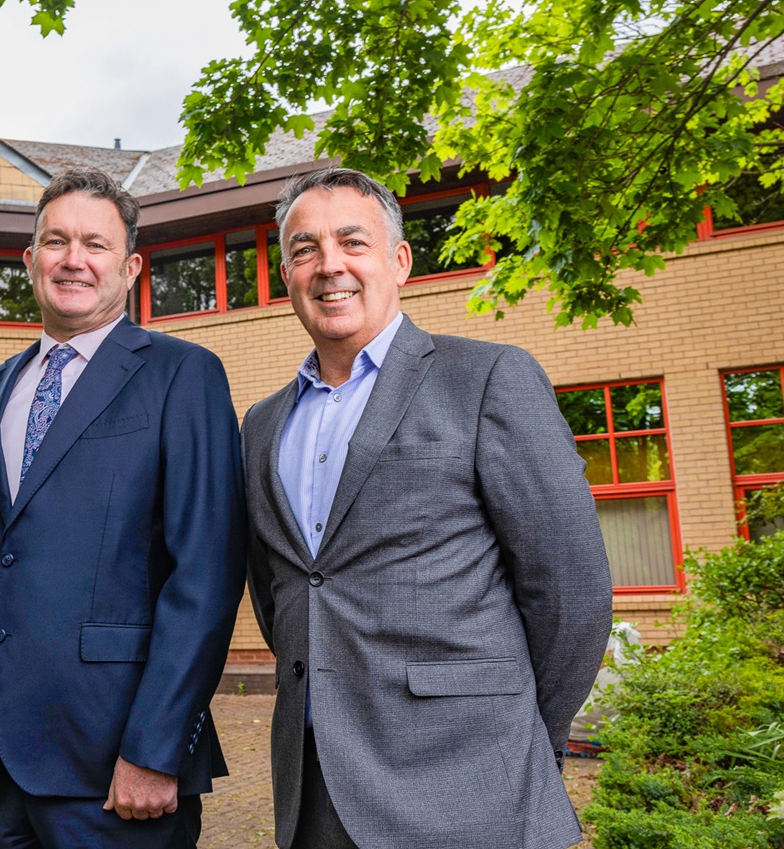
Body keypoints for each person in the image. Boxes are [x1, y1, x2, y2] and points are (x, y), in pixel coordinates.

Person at [244, 167, 613, 849]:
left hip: (470, 782)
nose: (329, 266)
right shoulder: (261, 425)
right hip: (315, 788)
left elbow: (570, 588)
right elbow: (285, 595)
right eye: (304, 249)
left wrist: (524, 738)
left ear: (399, 260)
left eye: (352, 242)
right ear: (286, 271)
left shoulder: (485, 379)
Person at [0, 167, 247, 848]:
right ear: (29, 259)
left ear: (129, 266)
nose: (73, 260)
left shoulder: (181, 374)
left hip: (116, 768)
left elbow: (205, 577)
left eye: (94, 245)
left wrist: (156, 750)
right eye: (56, 241)